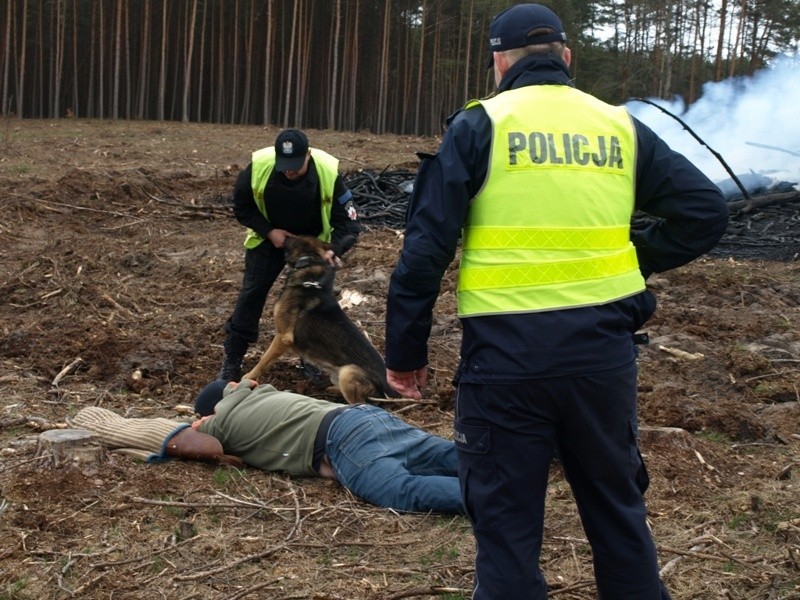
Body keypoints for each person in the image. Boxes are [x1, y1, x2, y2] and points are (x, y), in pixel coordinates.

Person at [383, 4, 729, 599]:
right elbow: (705, 212)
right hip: (602, 360)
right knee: (619, 516)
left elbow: (424, 253)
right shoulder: (618, 126)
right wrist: (632, 257)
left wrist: (405, 352)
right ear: (566, 58)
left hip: (506, 364)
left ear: (498, 62)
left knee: (507, 530)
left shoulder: (479, 125)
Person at [71, 380, 465, 515]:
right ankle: (518, 474)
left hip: (338, 438)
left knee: (401, 490)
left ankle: (505, 500)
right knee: (450, 456)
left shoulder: (220, 421)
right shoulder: (263, 392)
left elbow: (202, 446)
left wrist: (199, 427)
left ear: (209, 411)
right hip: (370, 417)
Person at [218, 128, 362, 382]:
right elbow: (241, 207)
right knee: (252, 294)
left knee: (314, 304)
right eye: (284, 166)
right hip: (271, 239)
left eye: (295, 165)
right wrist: (269, 231)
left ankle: (310, 360)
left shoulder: (328, 173)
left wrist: (333, 249)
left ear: (308, 155)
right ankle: (233, 357)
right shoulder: (259, 167)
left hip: (313, 244)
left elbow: (349, 225)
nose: (289, 171)